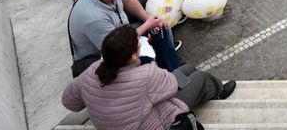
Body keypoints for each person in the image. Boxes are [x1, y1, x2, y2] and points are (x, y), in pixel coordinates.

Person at [63, 24, 235, 130]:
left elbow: (69, 102)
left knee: (187, 69)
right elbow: (171, 87)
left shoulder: (93, 69)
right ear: (131, 56)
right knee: (200, 77)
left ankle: (210, 88)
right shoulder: (146, 73)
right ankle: (218, 90)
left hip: (118, 123)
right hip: (157, 124)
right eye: (138, 45)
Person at [68, 0, 180, 72]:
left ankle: (171, 67)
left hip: (119, 33)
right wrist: (147, 25)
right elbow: (116, 47)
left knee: (160, 28)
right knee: (143, 58)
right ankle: (164, 76)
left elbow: (128, 0)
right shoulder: (93, 18)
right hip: (106, 56)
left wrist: (149, 19)